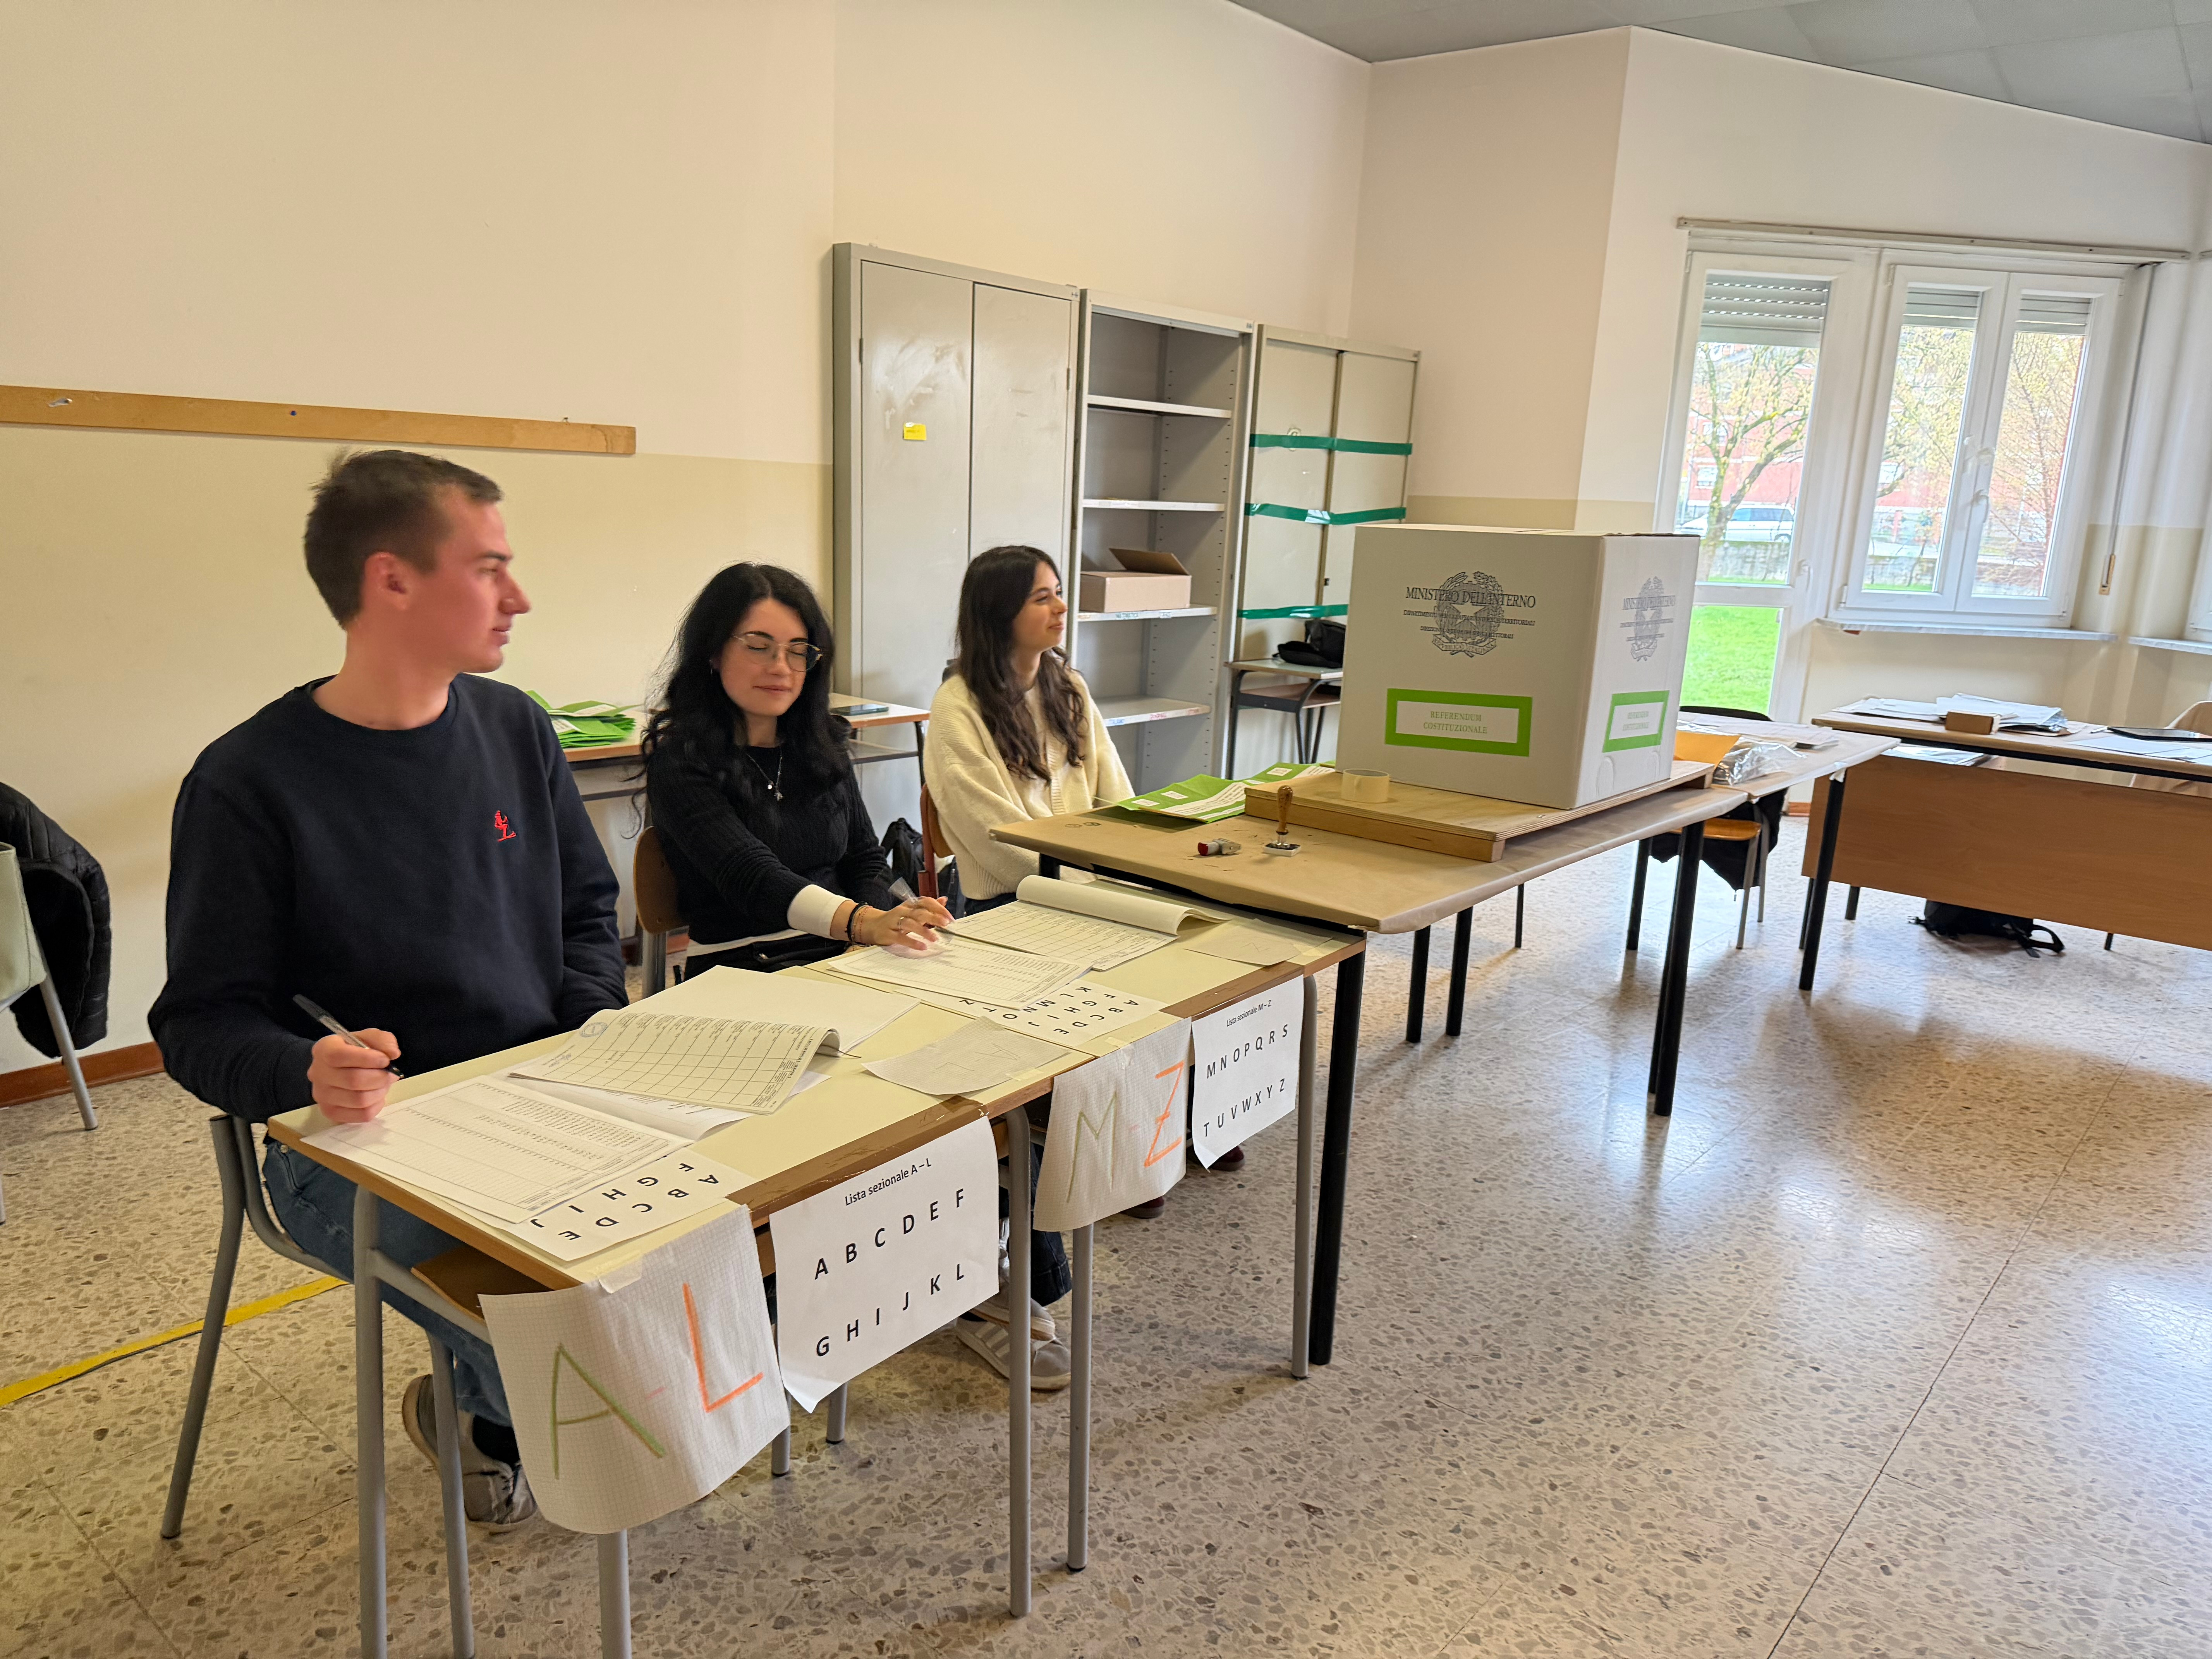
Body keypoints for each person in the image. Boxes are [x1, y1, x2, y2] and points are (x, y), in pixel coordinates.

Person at [150, 449, 627, 1528]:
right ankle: (503, 1417)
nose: (519, 596)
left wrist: (594, 1024)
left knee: (700, 1248)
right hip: (357, 1142)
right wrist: (302, 1068)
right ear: (393, 580)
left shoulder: (516, 728)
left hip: (547, 1095)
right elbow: (196, 1023)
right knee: (559, 1319)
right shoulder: (247, 781)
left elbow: (587, 914)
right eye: (490, 567)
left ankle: (493, 1419)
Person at [642, 563, 949, 967]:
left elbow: (866, 858)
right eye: (758, 646)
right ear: (713, 652)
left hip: (841, 951)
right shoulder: (681, 761)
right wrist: (863, 923)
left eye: (798, 650)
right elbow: (753, 877)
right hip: (743, 963)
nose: (781, 667)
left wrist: (876, 931)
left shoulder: (821, 746)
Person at [924, 545, 1133, 907]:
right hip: (1013, 896)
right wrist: (1086, 889)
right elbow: (993, 835)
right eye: (1042, 598)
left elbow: (1114, 789)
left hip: (1090, 882)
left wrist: (1138, 869)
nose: (1061, 607)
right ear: (1001, 613)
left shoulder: (1070, 687)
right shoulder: (957, 706)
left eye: (1059, 593)